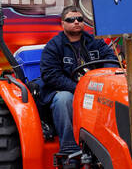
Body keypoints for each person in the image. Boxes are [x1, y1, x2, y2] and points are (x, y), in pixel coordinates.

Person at [40, 9, 118, 153]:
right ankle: (69, 149)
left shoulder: (96, 42)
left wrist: (103, 81)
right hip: (68, 91)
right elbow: (50, 74)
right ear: (62, 23)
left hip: (96, 89)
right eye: (71, 19)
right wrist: (78, 88)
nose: (76, 22)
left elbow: (111, 60)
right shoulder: (53, 46)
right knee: (64, 99)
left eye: (79, 19)